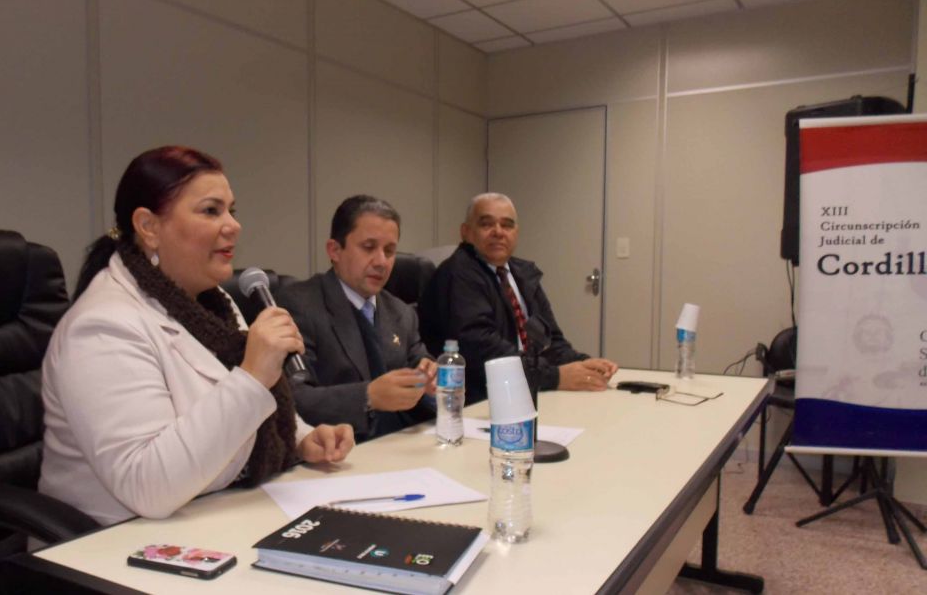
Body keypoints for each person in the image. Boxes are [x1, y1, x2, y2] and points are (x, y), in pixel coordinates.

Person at [39, 146, 354, 526]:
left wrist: (301, 438)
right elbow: (148, 487)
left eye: (231, 210)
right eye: (211, 211)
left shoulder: (213, 302)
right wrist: (254, 374)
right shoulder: (101, 327)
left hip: (211, 511)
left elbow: (232, 410)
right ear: (148, 227)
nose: (233, 225)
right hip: (112, 540)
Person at [419, 192, 619, 405]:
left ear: (516, 233)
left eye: (507, 225)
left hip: (524, 389)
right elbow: (482, 350)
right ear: (466, 232)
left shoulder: (522, 273)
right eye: (486, 224)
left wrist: (584, 364)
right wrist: (555, 377)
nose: (498, 232)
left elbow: (550, 340)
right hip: (477, 400)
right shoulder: (457, 274)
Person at [281, 195, 436, 442]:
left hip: (403, 445)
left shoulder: (401, 312)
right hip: (340, 450)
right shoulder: (298, 306)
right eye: (368, 247)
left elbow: (421, 364)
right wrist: (368, 397)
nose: (381, 262)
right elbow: (292, 398)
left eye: (389, 251)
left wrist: (433, 378)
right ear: (334, 250)